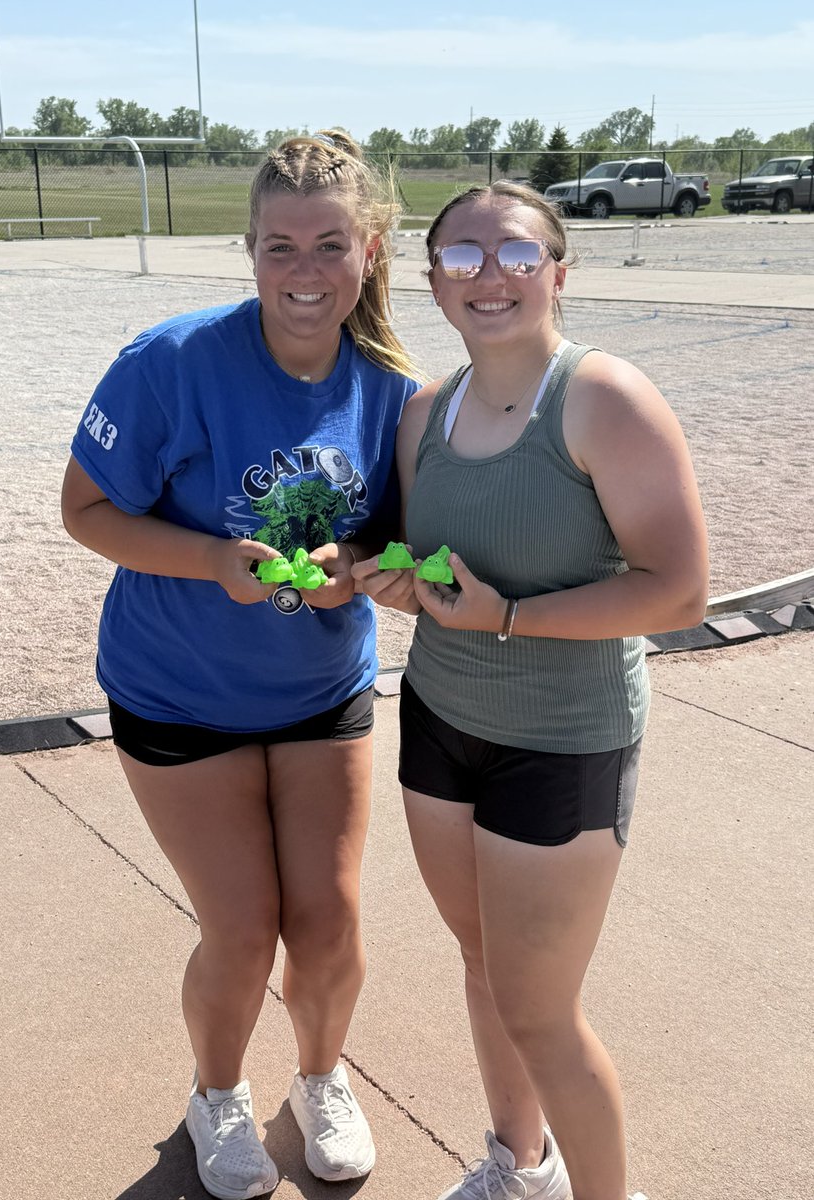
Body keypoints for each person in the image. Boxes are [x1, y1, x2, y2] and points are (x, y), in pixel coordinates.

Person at [61, 130, 420, 1200]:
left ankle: (320, 1077)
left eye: (328, 246)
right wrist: (217, 559)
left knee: (330, 918)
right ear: (249, 250)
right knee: (243, 924)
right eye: (279, 247)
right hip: (177, 688)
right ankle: (215, 1094)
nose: (303, 274)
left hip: (321, 691)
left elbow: (394, 540)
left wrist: (363, 568)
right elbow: (85, 511)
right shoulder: (169, 362)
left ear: (368, 249)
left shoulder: (394, 389)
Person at [352, 181, 708, 1200]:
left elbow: (677, 591)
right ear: (432, 283)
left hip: (565, 738)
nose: (488, 276)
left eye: (514, 254)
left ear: (558, 271)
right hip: (441, 721)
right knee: (482, 961)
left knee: (541, 1010)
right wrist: (387, 579)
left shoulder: (604, 399)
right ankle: (520, 1164)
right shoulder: (426, 411)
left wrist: (510, 618)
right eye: (461, 258)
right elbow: (434, 577)